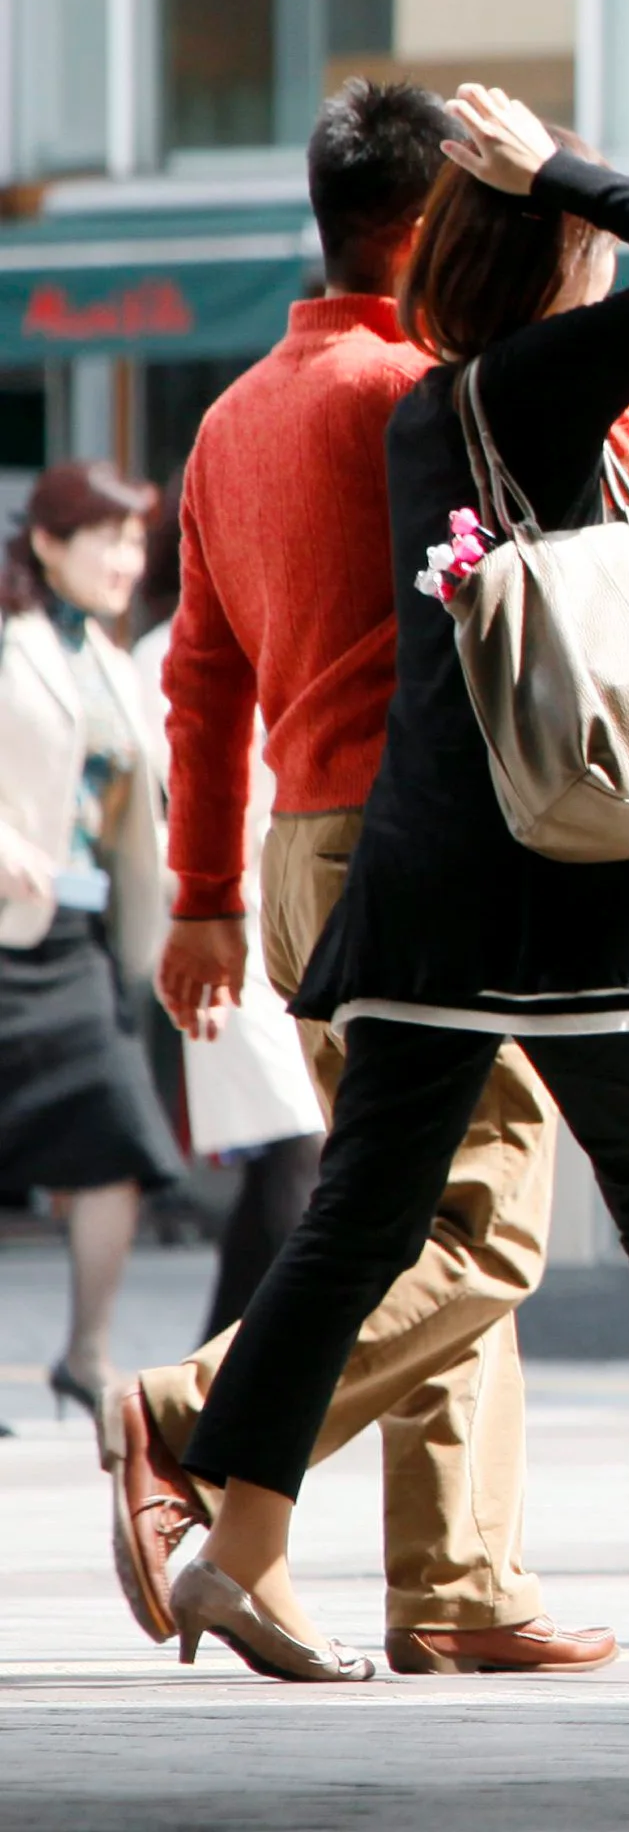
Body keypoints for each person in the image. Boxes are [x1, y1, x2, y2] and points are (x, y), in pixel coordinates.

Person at [170, 85, 629, 1682]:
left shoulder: (435, 405)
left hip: (424, 881)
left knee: (365, 1218)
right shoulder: (533, 381)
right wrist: (562, 170)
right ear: (555, 259)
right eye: (581, 244)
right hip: (552, 891)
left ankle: (234, 1540)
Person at [109, 80, 629, 1676]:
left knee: (416, 1203)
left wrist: (202, 896)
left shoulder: (236, 412)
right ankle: (191, 1416)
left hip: (302, 847)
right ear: (447, 222)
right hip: (442, 842)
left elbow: (201, 671)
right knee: (485, 1235)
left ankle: (455, 1583)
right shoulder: (445, 385)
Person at [0, 461, 176, 1430]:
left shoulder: (115, 661)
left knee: (117, 1134)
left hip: (79, 937)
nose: (125, 558)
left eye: (137, 539)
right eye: (105, 537)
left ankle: (86, 1353)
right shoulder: (9, 640)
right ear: (48, 543)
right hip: (3, 919)